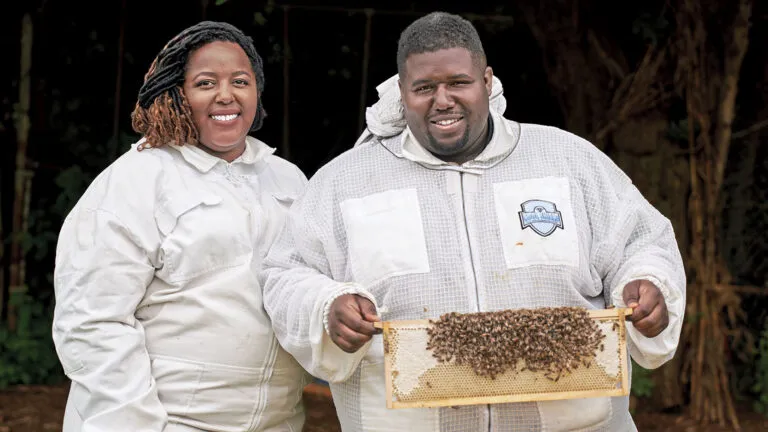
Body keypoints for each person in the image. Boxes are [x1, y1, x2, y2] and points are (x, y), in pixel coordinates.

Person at [261, 11, 685, 432]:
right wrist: (326, 306)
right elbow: (287, 272)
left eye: (458, 83)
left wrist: (646, 283)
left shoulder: (567, 159)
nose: (442, 100)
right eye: (424, 87)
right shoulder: (346, 180)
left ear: (486, 81)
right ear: (401, 92)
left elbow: (641, 242)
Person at [52, 21, 310, 432]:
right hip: (165, 421)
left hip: (277, 420)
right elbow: (92, 321)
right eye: (206, 83)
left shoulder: (289, 181)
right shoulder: (136, 180)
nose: (226, 95)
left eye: (240, 81)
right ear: (176, 94)